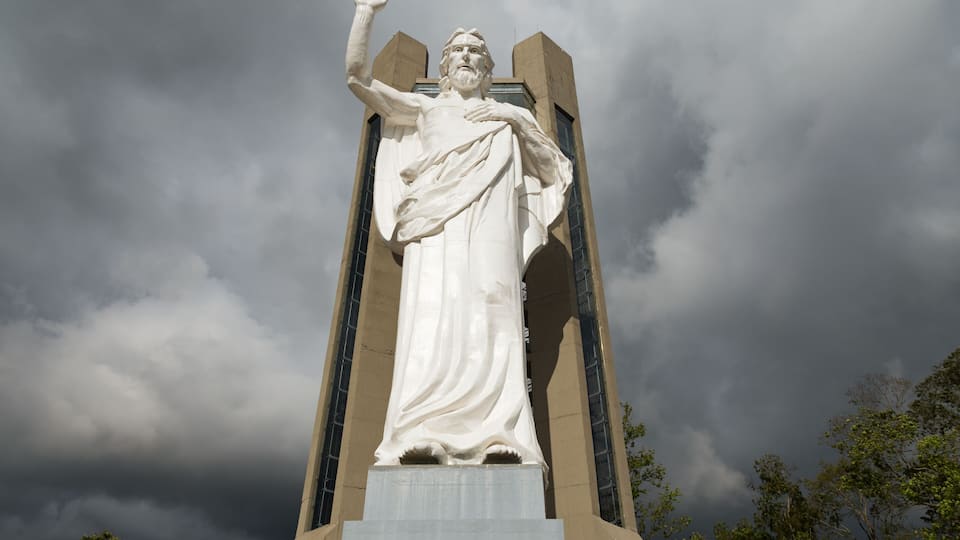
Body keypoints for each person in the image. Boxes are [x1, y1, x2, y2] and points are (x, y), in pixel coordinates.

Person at [346, 0, 572, 468]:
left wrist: (513, 120)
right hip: (436, 229)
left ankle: (500, 434)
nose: (467, 56)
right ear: (447, 67)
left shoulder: (510, 118)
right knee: (433, 322)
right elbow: (358, 80)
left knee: (494, 318)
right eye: (459, 51)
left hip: (491, 230)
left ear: (486, 69)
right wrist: (365, 12)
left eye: (475, 51)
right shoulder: (425, 110)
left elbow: (554, 169)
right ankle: (421, 431)